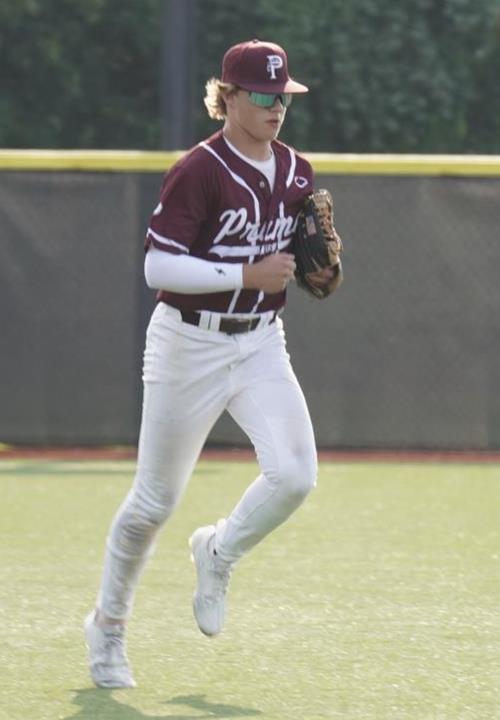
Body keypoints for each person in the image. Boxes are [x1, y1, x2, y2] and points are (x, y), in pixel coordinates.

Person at [84, 38, 339, 689]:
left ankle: (218, 551)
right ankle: (108, 629)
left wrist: (317, 262)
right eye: (262, 94)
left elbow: (299, 249)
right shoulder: (198, 170)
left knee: (296, 476)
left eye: (284, 95)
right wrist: (244, 271)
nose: (276, 105)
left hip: (260, 341)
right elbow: (158, 265)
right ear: (226, 97)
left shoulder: (296, 171)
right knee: (153, 501)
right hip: (188, 345)